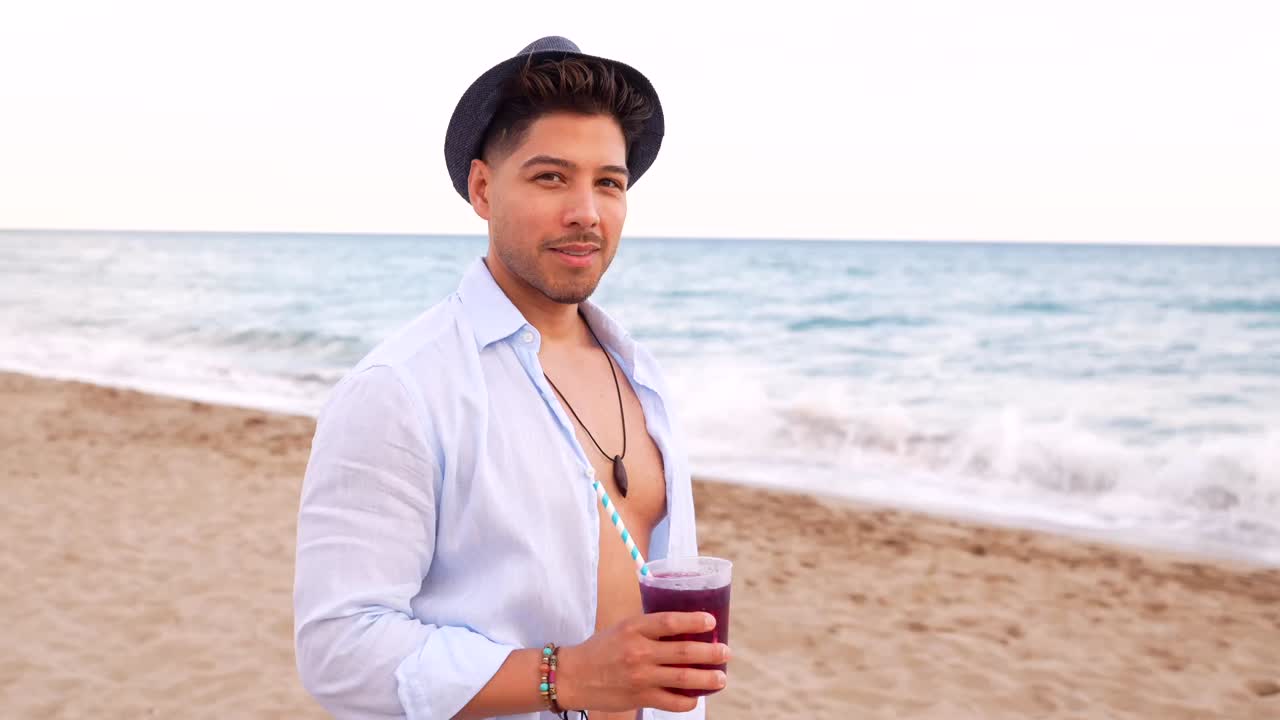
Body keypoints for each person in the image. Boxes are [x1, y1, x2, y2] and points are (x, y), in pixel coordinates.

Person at [293, 36, 729, 720]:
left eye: (608, 183)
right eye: (551, 177)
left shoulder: (640, 374)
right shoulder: (400, 389)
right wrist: (565, 677)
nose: (586, 211)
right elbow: (338, 648)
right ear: (483, 189)